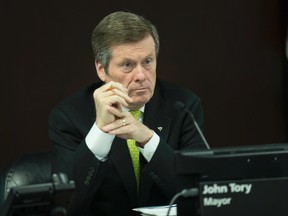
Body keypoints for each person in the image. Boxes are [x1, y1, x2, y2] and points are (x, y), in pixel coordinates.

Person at [49, 11, 207, 216]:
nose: (141, 75)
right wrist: (101, 131)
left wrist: (148, 140)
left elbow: (205, 192)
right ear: (101, 69)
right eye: (127, 65)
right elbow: (66, 205)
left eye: (148, 62)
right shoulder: (69, 116)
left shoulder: (183, 105)